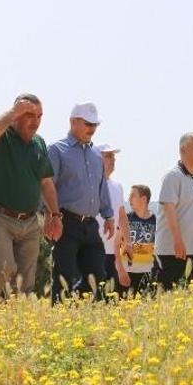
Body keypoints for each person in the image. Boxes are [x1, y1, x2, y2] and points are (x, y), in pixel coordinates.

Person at [0, 94, 63, 301]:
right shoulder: (2, 136)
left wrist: (55, 214)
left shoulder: (39, 144)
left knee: (25, 281)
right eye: (29, 115)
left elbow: (46, 182)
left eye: (39, 116)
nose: (36, 121)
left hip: (30, 222)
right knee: (2, 267)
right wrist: (13, 112)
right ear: (15, 116)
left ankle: (15, 325)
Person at [48, 102, 114, 302]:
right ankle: (60, 320)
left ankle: (89, 320)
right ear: (73, 122)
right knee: (63, 276)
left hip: (91, 225)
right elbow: (47, 185)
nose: (92, 129)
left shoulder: (96, 155)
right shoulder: (56, 150)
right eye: (87, 124)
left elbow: (101, 187)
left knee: (98, 277)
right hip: (65, 223)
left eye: (95, 125)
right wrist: (50, 217)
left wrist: (109, 216)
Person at [155, 132, 193, 294]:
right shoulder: (172, 177)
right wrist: (177, 240)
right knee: (164, 296)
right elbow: (169, 210)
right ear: (182, 150)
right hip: (173, 249)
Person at [95, 143, 131, 298]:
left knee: (111, 297)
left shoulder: (118, 186)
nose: (113, 160)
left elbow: (122, 215)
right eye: (108, 156)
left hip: (113, 252)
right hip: (93, 250)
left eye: (113, 156)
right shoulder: (91, 185)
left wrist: (128, 241)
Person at [123, 184, 158, 297]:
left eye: (133, 196)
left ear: (143, 199)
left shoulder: (154, 220)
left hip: (146, 272)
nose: (129, 199)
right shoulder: (127, 218)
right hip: (127, 271)